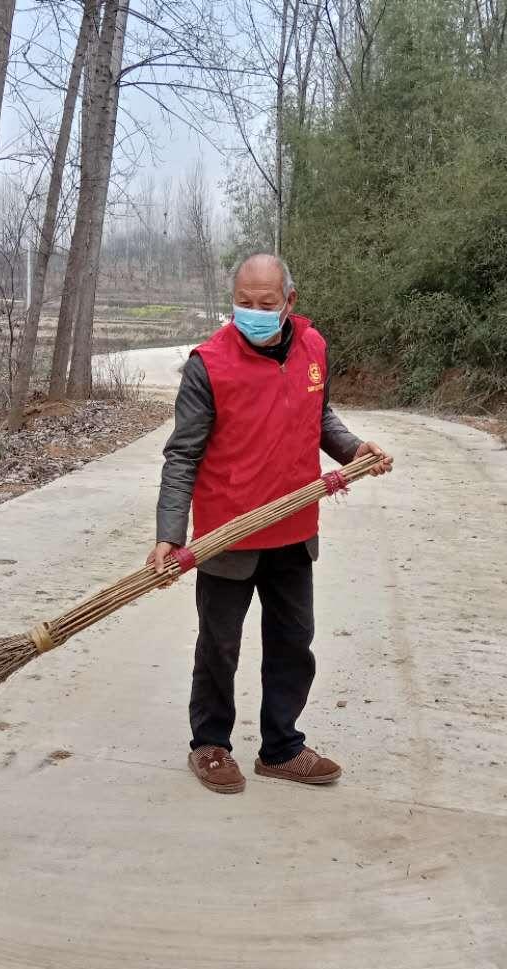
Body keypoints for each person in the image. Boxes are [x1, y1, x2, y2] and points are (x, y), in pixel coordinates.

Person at [148, 253, 393, 794]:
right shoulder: (208, 364)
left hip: (294, 524)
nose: (254, 313)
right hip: (228, 533)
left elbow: (319, 416)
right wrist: (170, 534)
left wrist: (352, 449)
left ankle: (281, 748)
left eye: (266, 304)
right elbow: (182, 455)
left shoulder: (313, 347)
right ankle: (209, 745)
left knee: (292, 641)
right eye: (243, 303)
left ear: (289, 302)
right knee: (220, 645)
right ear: (232, 299)